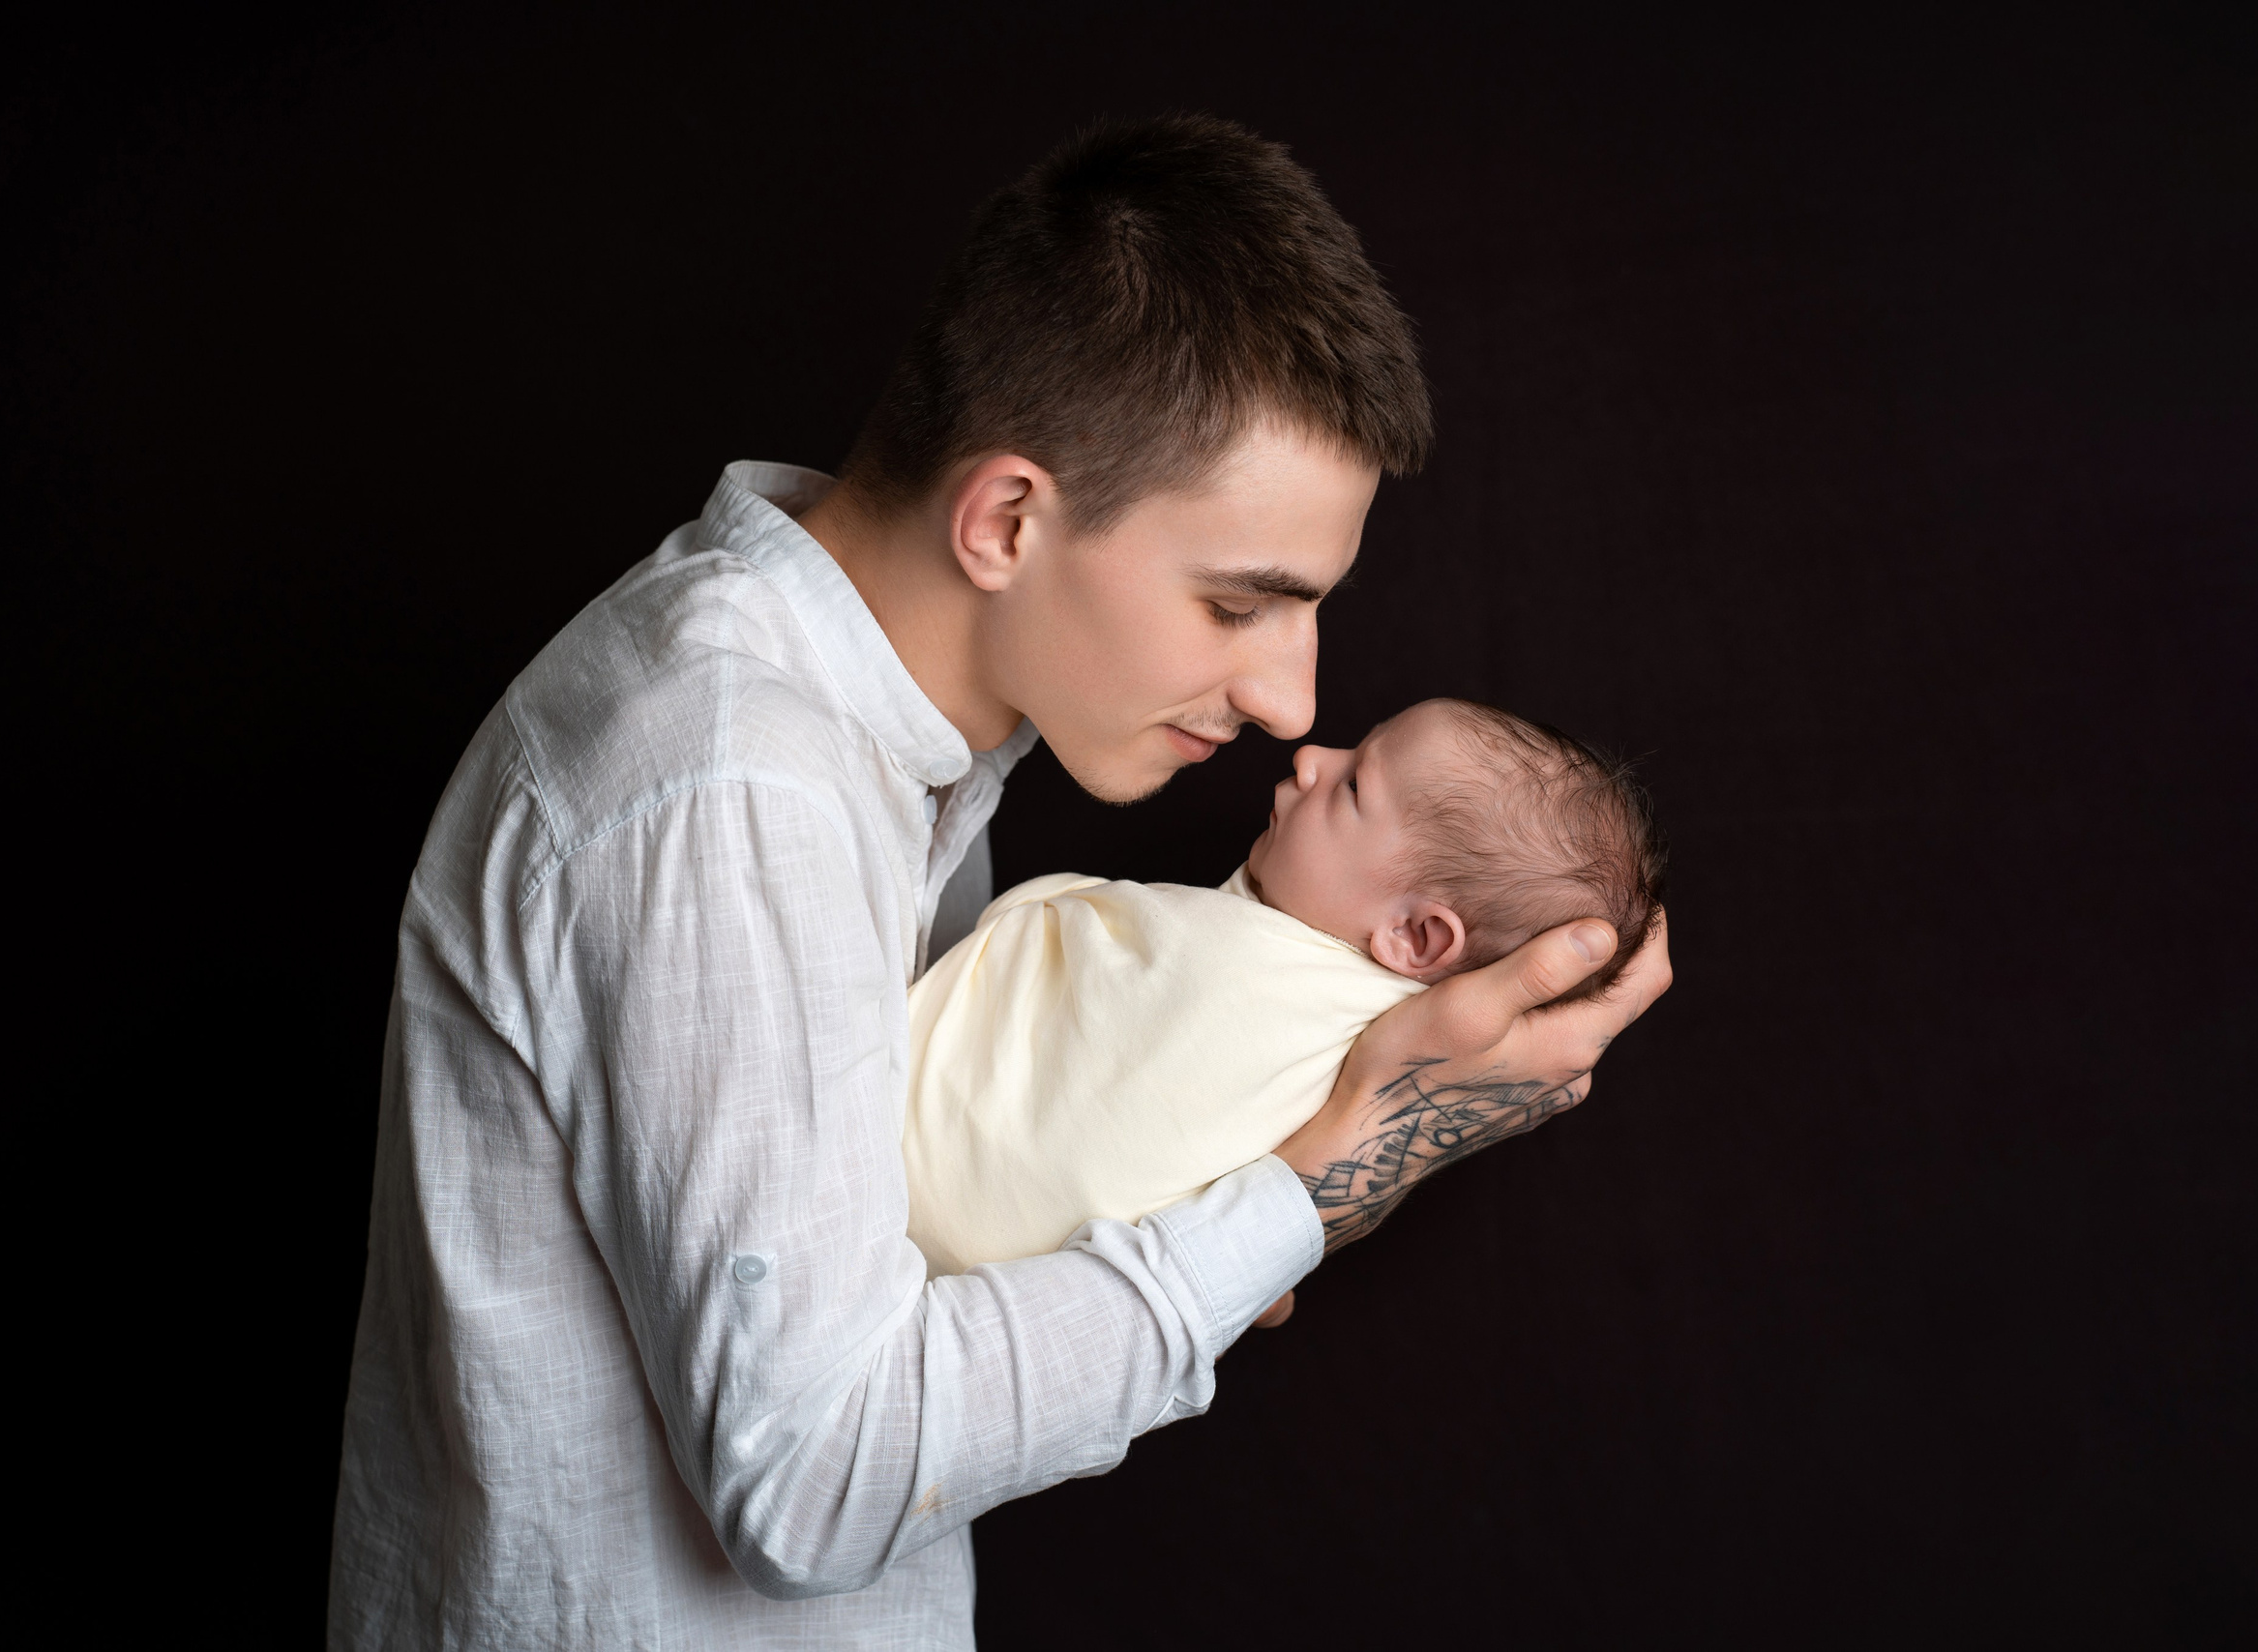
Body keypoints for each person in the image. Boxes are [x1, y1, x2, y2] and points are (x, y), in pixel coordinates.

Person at [329, 114, 1672, 1649]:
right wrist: (1319, 1183)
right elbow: (815, 1479)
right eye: (1242, 603)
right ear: (1010, 519)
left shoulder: (906, 747)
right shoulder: (728, 788)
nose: (1296, 702)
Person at [904, 697, 1666, 1278]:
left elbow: (1091, 954)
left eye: (1354, 786)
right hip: (996, 1270)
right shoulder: (1381, 1045)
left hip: (925, 1172)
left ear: (1415, 937)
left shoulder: (1254, 988)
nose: (1311, 758)